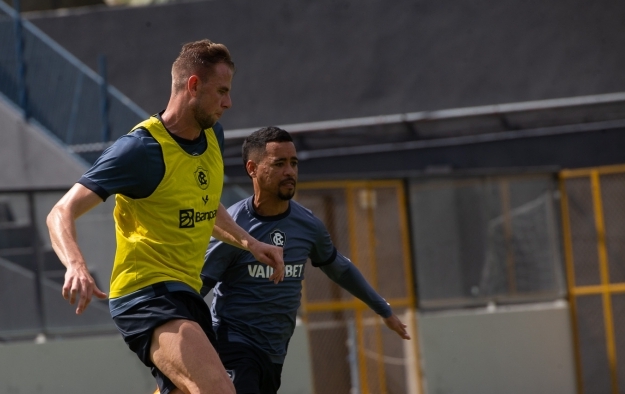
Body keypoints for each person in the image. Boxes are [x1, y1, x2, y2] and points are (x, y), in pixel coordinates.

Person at [45, 40, 285, 394]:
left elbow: (204, 206)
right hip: (146, 295)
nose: (228, 103)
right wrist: (76, 265)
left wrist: (250, 243)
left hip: (186, 293)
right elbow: (60, 211)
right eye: (221, 91)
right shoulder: (140, 150)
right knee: (218, 390)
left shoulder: (211, 136)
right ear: (192, 86)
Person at [201, 126, 410, 394]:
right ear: (252, 169)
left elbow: (340, 270)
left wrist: (383, 309)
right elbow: (199, 285)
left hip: (274, 353)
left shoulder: (308, 225)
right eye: (279, 163)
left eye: (293, 163)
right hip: (233, 345)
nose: (290, 171)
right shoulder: (234, 227)